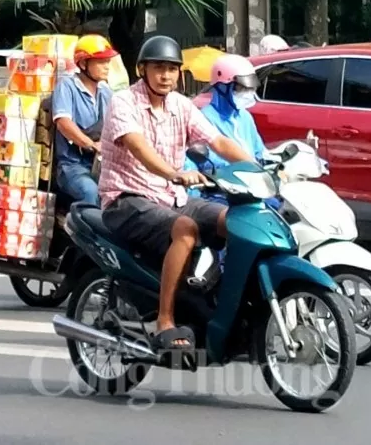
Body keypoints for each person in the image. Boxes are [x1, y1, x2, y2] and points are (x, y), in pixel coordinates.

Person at [96, 35, 254, 356]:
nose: (166, 75)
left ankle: (226, 305)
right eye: (158, 68)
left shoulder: (182, 105)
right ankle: (165, 320)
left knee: (235, 221)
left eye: (171, 69)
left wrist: (257, 166)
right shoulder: (123, 102)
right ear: (142, 69)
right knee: (185, 229)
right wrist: (172, 172)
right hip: (127, 198)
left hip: (170, 197)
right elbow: (138, 146)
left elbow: (217, 141)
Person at [50, 34, 117, 209]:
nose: (106, 67)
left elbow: (119, 122)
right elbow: (63, 122)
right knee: (91, 192)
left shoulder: (106, 92)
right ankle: (89, 235)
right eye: (101, 62)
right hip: (72, 166)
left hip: (101, 165)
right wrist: (91, 144)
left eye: (108, 62)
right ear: (83, 63)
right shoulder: (67, 86)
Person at [193, 54, 265, 175]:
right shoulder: (205, 118)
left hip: (254, 181)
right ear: (221, 86)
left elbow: (259, 151)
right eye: (240, 88)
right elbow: (206, 162)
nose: (247, 93)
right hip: (225, 185)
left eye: (249, 88)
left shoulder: (244, 116)